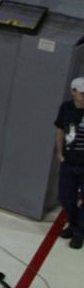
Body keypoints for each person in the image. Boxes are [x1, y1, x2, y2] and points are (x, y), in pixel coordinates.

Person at [54, 77, 84, 249]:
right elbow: (60, 129)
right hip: (69, 161)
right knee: (65, 198)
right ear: (73, 92)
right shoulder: (66, 108)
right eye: (82, 93)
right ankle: (73, 224)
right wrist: (60, 153)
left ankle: (79, 232)